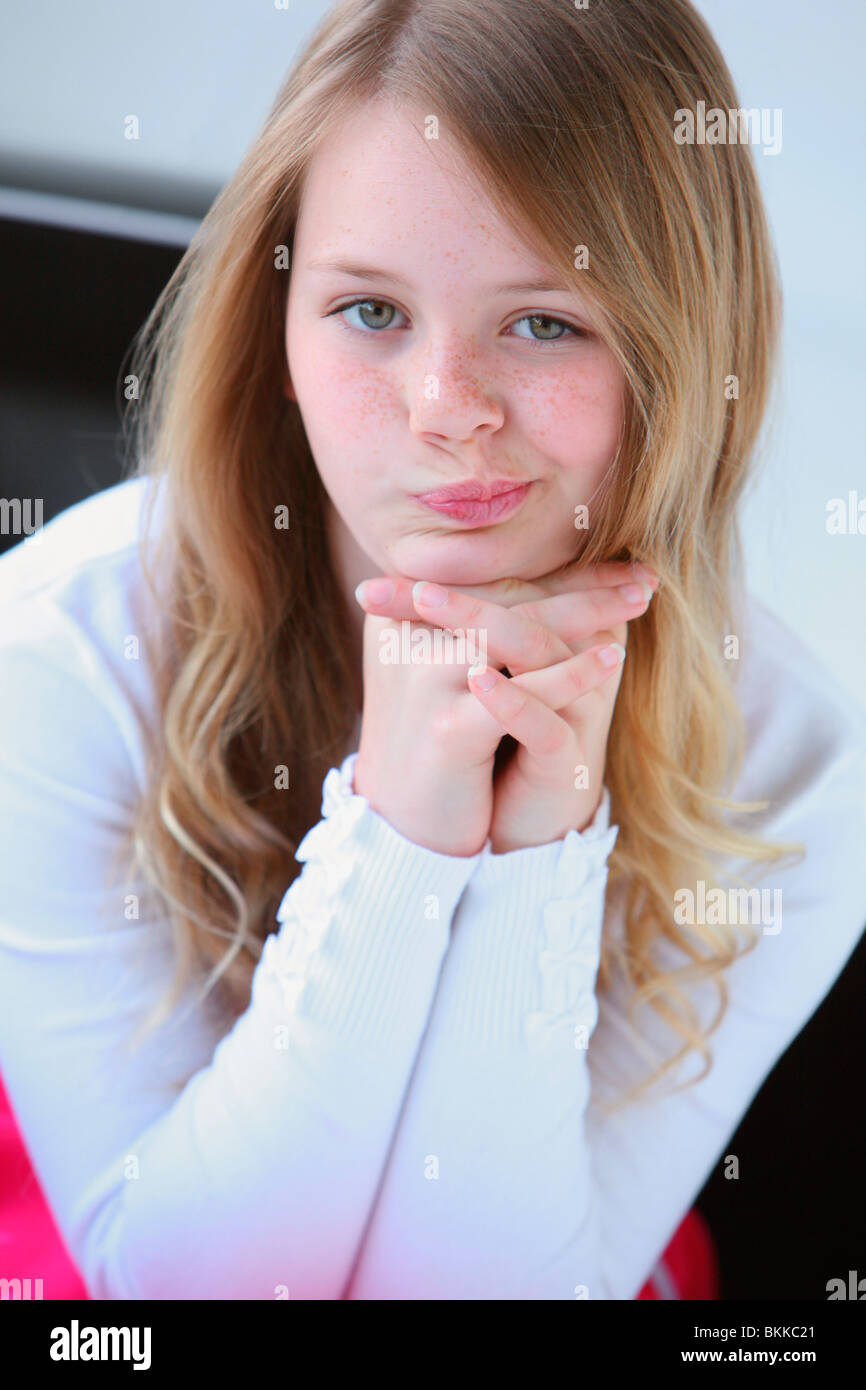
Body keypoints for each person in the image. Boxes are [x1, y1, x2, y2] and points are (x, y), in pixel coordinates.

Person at [1, 0, 864, 1301]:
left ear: (679, 353)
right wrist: (398, 830)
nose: (444, 410)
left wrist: (535, 854)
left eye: (541, 323)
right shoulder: (58, 647)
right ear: (276, 329)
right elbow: (179, 1292)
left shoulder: (796, 757)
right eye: (366, 311)